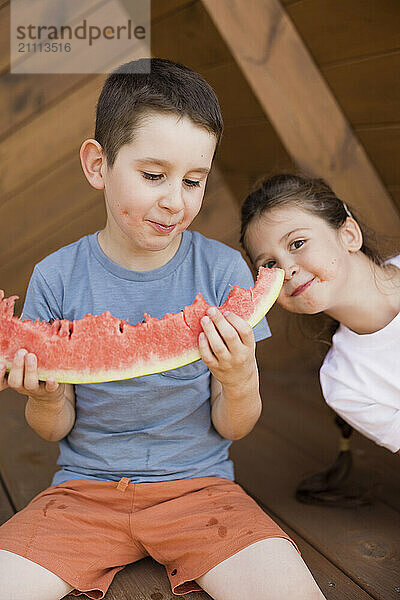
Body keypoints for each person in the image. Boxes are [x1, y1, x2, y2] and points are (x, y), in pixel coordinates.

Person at [0, 61, 325, 600]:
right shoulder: (55, 276)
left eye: (193, 181)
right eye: (154, 176)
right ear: (98, 164)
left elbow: (234, 424)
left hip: (202, 494)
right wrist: (47, 396)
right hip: (82, 495)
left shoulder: (222, 273)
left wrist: (241, 377)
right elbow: (54, 429)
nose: (176, 200)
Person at [241, 172, 400, 457]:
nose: (286, 269)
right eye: (269, 264)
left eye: (297, 243)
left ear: (349, 235)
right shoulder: (343, 383)